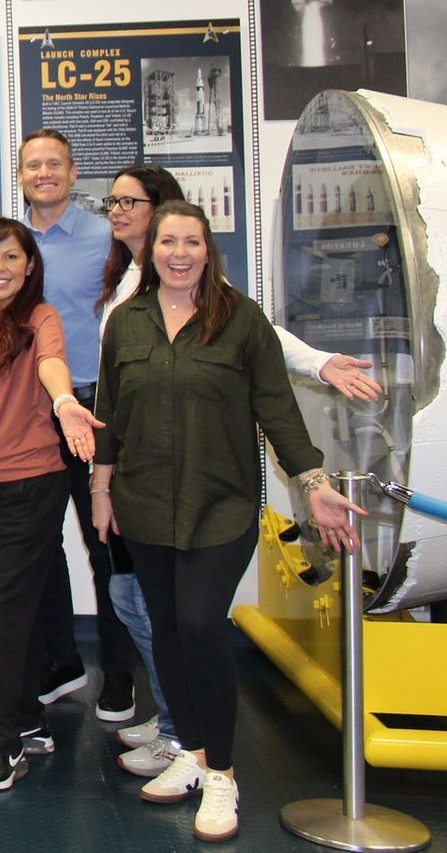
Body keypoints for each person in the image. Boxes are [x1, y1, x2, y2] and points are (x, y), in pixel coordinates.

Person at [96, 165, 382, 777]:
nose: (179, 253)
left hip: (220, 504)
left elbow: (276, 408)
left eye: (191, 242)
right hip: (143, 503)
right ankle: (191, 754)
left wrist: (313, 483)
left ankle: (221, 772)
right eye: (168, 242)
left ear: (208, 251)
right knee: (167, 628)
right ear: (153, 249)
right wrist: (102, 487)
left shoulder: (240, 319)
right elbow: (112, 414)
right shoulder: (127, 319)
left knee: (198, 624)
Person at [0, 217, 105, 791]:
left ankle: (2, 744)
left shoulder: (39, 317)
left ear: (30, 265)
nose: (0, 268)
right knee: (12, 609)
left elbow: (50, 364)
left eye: (11, 257)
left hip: (33, 482)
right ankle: (25, 719)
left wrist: (65, 401)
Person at [16, 128, 134, 717]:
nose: (44, 174)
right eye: (33, 165)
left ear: (73, 170)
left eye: (53, 164)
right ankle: (61, 662)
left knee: (104, 542)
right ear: (21, 175)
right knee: (38, 545)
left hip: (93, 407)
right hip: (32, 413)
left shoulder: (106, 238)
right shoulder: (10, 245)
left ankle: (120, 672)